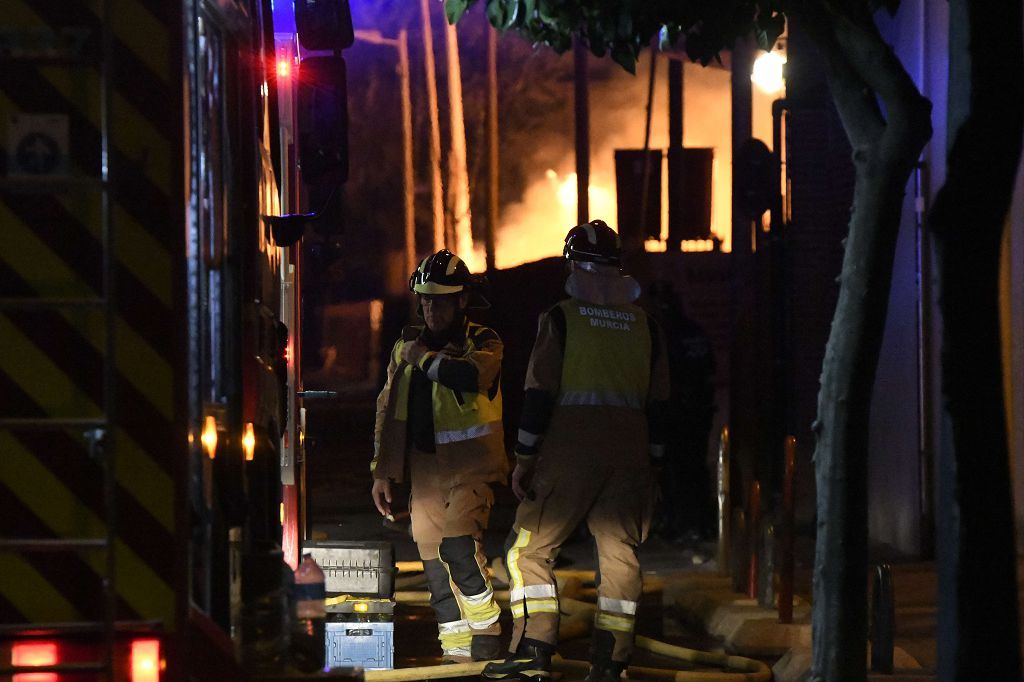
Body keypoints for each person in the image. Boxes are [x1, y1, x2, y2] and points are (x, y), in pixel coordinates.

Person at [482, 220, 670, 682]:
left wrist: (524, 459)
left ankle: (534, 651)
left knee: (527, 551)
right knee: (620, 553)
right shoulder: (647, 324)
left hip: (570, 449)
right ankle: (610, 663)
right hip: (631, 452)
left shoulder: (561, 318)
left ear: (572, 265)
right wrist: (655, 465)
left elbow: (539, 393)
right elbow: (661, 403)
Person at [370, 249, 506, 663]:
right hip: (425, 470)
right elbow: (388, 411)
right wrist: (382, 471)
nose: (431, 308)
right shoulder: (405, 347)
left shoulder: (484, 341)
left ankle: (487, 632)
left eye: (441, 300)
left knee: (460, 550)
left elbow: (468, 375)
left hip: (472, 467)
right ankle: (457, 650)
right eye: (425, 299)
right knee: (432, 564)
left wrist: (423, 358)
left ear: (462, 301)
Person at [647, 280, 717, 544]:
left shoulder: (668, 334)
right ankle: (699, 523)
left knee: (676, 471)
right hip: (699, 412)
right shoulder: (694, 331)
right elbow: (710, 368)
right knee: (695, 469)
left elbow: (665, 377)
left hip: (678, 415)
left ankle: (683, 523)